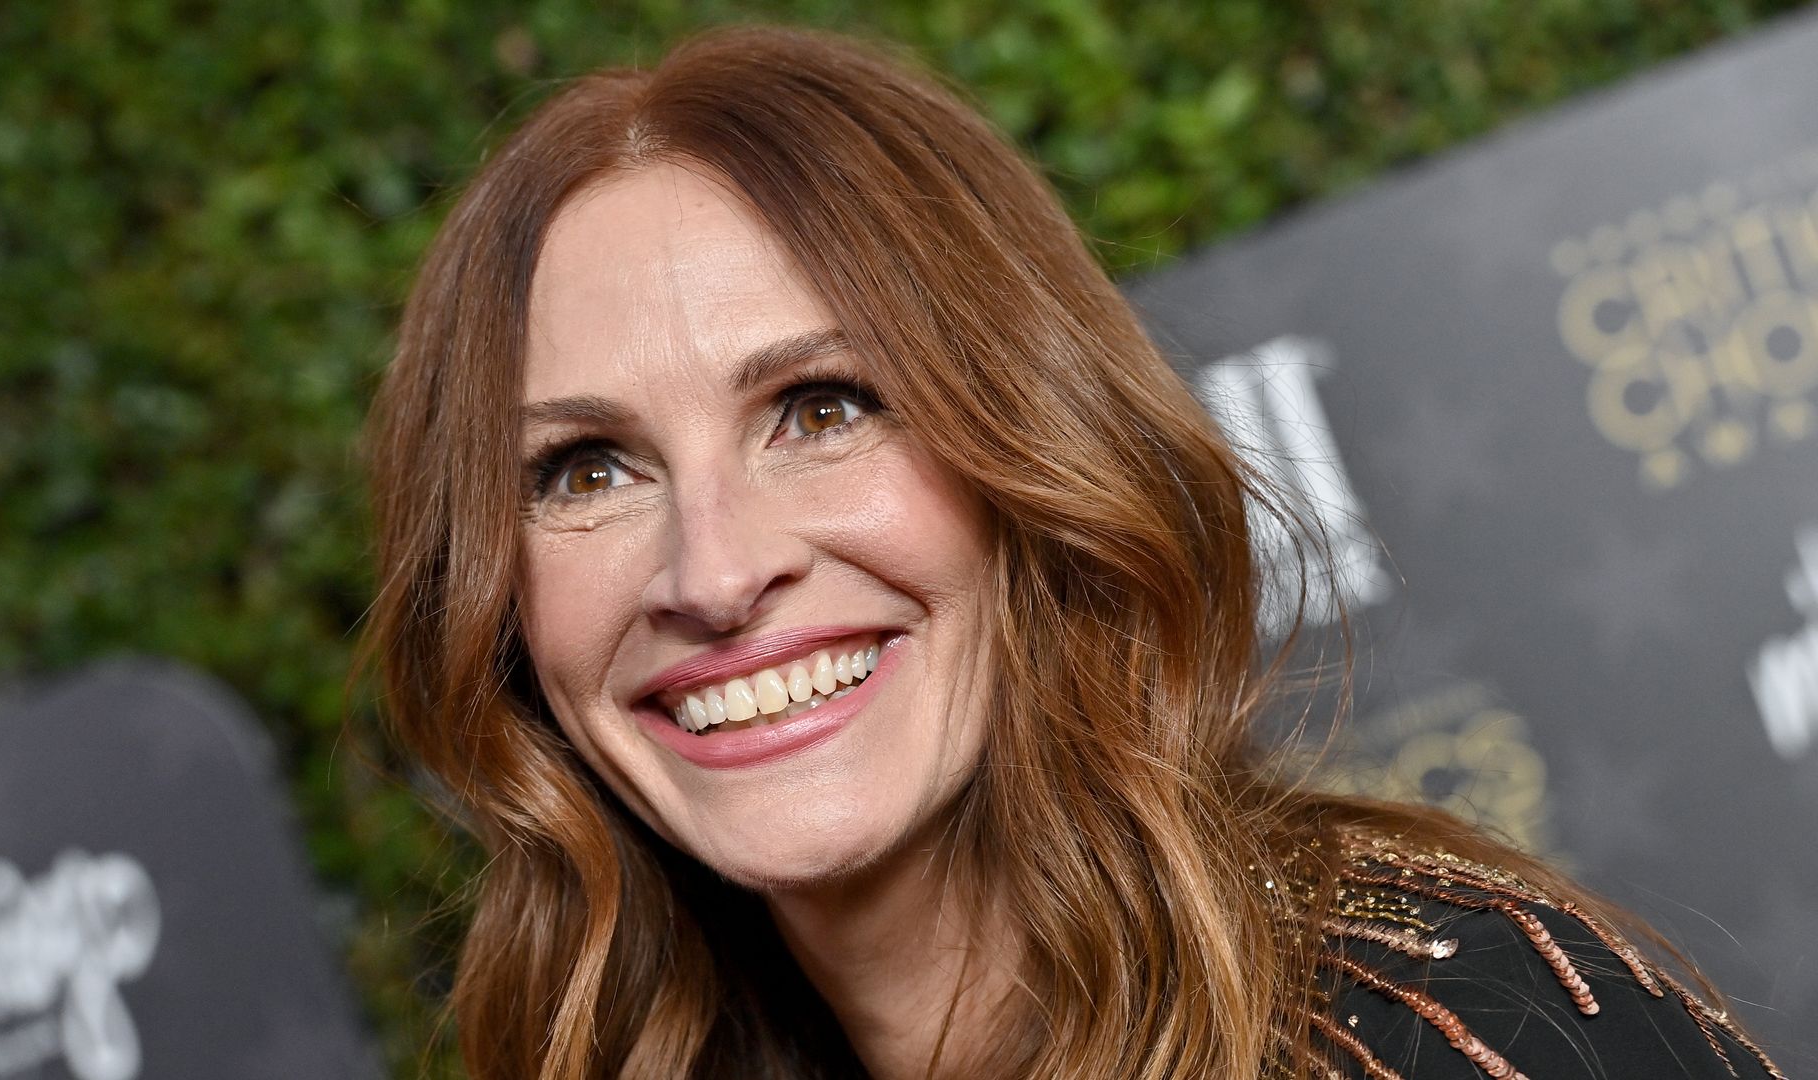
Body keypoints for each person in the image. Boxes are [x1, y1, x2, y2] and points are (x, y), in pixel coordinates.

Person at [359, 23, 1785, 1080]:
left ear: (1032, 453)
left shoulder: (1465, 1033)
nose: (717, 574)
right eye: (587, 470)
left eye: (822, 406)